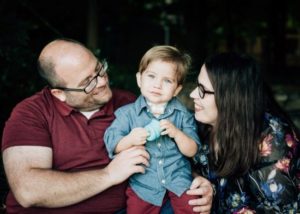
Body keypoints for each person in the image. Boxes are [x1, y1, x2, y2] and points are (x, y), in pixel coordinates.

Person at [1, 38, 213, 213]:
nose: (102, 82)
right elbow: (28, 190)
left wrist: (195, 181)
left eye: (99, 69)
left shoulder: (128, 103)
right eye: (88, 82)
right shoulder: (31, 114)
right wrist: (109, 175)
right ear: (60, 94)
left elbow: (165, 152)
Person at [190, 52, 300, 213]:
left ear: (230, 98)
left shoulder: (273, 145)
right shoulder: (201, 125)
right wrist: (201, 182)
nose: (193, 94)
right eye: (197, 85)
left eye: (202, 90)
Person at [104, 45, 201, 213]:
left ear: (177, 89)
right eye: (151, 76)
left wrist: (177, 134)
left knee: (193, 207)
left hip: (179, 180)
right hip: (143, 184)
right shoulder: (128, 114)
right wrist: (130, 139)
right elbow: (111, 142)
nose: (157, 85)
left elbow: (192, 150)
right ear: (139, 79)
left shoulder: (182, 114)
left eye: (167, 81)